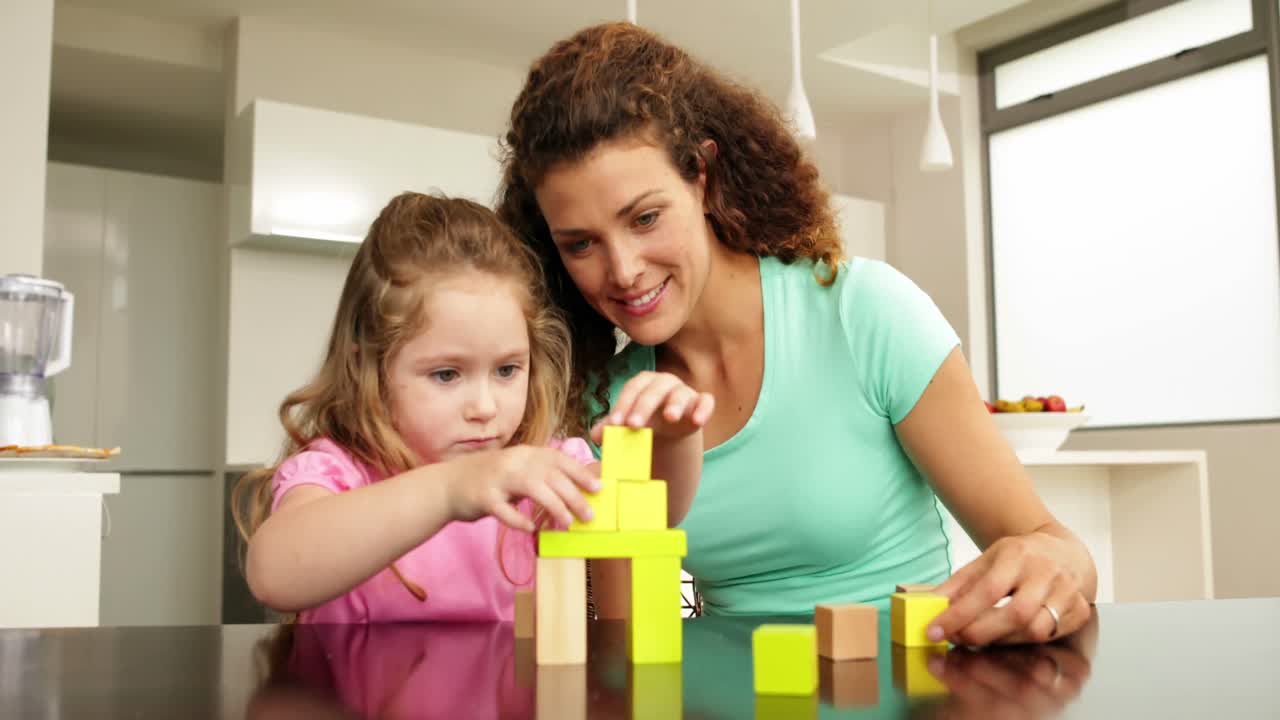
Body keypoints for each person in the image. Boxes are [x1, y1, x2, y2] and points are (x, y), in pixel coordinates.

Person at [498, 22, 1098, 646]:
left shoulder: (864, 315)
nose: (623, 270)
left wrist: (1049, 567)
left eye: (645, 218)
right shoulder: (614, 405)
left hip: (913, 682)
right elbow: (624, 640)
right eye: (581, 244)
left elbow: (1054, 546)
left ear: (702, 177)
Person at [231, 191, 705, 623]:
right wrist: (451, 489)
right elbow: (274, 576)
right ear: (367, 365)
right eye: (446, 375)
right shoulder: (337, 471)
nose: (484, 407)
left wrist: (674, 438)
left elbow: (652, 510)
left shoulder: (537, 468)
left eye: (506, 370)